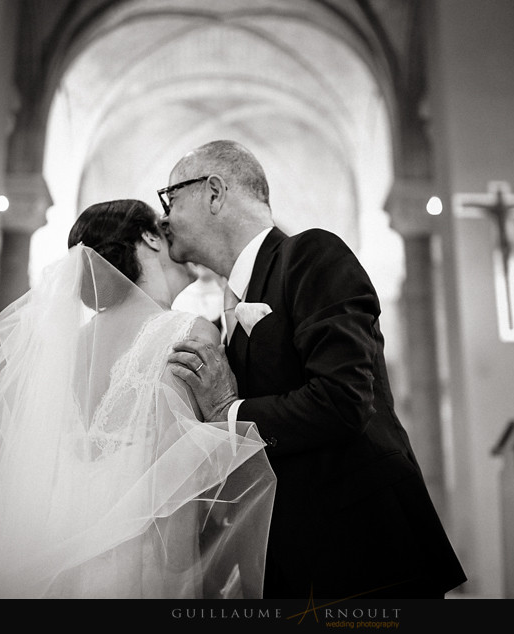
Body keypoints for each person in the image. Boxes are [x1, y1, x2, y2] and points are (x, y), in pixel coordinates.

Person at [0, 199, 276, 599]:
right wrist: (182, 576)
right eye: (165, 231)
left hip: (60, 551)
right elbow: (179, 481)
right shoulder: (188, 333)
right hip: (139, 556)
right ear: (150, 238)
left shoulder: (69, 349)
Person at [162, 140, 466, 600]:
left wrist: (228, 410)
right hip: (294, 561)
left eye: (171, 198)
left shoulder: (310, 255)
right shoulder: (230, 307)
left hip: (366, 555)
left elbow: (342, 401)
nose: (164, 217)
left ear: (214, 192)